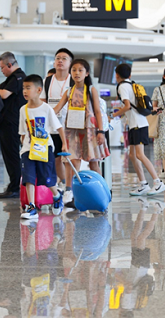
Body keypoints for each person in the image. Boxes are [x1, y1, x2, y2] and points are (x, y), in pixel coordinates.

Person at [53, 59, 108, 187]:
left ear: (87, 73)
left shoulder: (91, 90)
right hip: (72, 131)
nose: (76, 73)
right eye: (74, 70)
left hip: (90, 130)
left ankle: (102, 188)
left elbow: (98, 112)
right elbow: (57, 109)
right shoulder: (69, 91)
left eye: (80, 70)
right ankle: (70, 191)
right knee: (72, 161)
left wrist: (101, 131)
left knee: (94, 162)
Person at [112, 63, 165, 196]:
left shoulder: (122, 87)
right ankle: (143, 184)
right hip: (136, 124)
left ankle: (158, 182)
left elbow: (127, 106)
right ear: (129, 75)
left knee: (140, 155)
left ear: (116, 75)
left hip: (138, 125)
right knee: (132, 155)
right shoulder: (132, 85)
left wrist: (112, 115)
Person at [19, 74, 67, 219]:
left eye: (28, 88)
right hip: (28, 149)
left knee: (46, 178)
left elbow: (58, 128)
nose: (25, 91)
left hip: (45, 149)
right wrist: (24, 147)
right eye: (23, 88)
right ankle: (32, 206)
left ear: (39, 90)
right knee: (28, 177)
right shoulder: (23, 110)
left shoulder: (46, 109)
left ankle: (57, 195)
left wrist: (64, 144)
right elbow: (22, 132)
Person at [40, 48, 74, 191]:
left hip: (70, 126)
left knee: (70, 159)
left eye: (64, 58)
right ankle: (65, 184)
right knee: (55, 159)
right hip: (52, 126)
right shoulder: (47, 80)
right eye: (58, 58)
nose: (60, 61)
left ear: (71, 63)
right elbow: (42, 101)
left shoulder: (74, 80)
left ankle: (70, 188)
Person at [0, 51, 27, 199]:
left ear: (10, 64)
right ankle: (14, 185)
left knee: (12, 155)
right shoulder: (12, 78)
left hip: (11, 122)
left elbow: (3, 94)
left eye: (2, 68)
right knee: (10, 155)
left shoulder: (17, 77)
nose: (2, 71)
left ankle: (15, 187)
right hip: (9, 122)